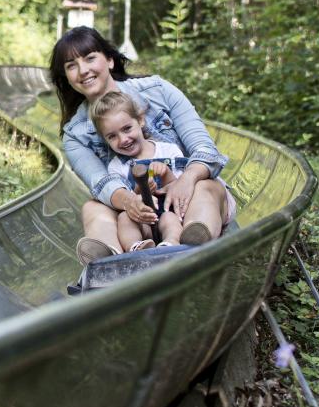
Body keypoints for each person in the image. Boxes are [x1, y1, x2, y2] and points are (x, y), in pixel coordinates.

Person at [48, 26, 233, 264]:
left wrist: (185, 180)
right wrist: (130, 202)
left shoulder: (158, 91)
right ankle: (109, 261)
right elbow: (101, 183)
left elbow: (205, 150)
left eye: (90, 58)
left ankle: (194, 243)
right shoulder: (75, 135)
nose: (83, 70)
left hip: (187, 200)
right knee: (93, 208)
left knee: (205, 186)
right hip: (139, 219)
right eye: (71, 65)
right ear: (66, 76)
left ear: (110, 61)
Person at [90, 90, 236, 253]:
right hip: (143, 218)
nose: (123, 139)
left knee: (169, 219)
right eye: (112, 136)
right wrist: (139, 191)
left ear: (140, 120)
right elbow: (127, 198)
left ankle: (172, 243)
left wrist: (166, 174)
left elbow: (180, 186)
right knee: (125, 218)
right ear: (105, 140)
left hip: (171, 211)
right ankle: (135, 247)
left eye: (127, 129)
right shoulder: (116, 166)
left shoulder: (168, 150)